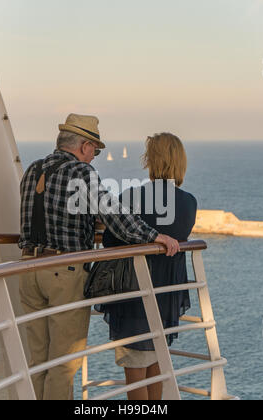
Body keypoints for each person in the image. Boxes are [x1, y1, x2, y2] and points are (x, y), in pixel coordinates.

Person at [18, 114, 180, 400]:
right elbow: (115, 215)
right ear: (84, 146)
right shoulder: (80, 172)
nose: (95, 157)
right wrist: (155, 236)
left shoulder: (33, 169)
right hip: (63, 271)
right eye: (96, 150)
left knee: (38, 361)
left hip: (28, 268)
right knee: (62, 366)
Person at [97, 133, 197, 401]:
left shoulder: (132, 196)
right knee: (156, 363)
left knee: (135, 368)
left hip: (135, 290)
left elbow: (110, 239)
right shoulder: (189, 202)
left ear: (151, 161)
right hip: (168, 292)